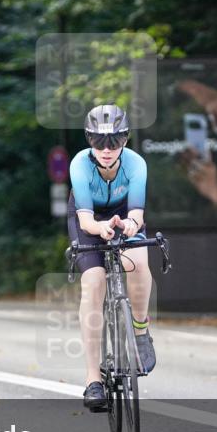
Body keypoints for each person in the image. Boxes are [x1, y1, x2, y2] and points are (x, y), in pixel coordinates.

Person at [68, 104, 155, 413]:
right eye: (98, 141)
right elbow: (86, 221)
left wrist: (129, 225)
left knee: (138, 262)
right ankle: (93, 378)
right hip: (88, 220)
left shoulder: (136, 164)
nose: (106, 150)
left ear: (126, 140)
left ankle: (141, 332)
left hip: (123, 214)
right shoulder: (79, 164)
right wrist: (100, 228)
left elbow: (136, 213)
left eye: (114, 141)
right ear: (89, 140)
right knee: (93, 282)